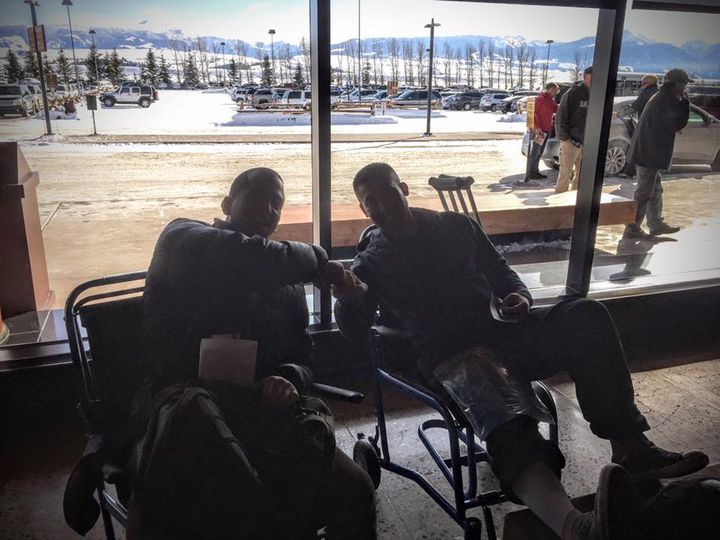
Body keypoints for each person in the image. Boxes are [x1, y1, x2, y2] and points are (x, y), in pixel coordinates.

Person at [333, 162, 709, 540]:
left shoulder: (456, 227)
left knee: (586, 316)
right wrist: (348, 299)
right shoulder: (371, 262)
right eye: (371, 202)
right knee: (500, 407)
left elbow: (501, 272)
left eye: (387, 194)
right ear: (364, 209)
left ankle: (629, 446)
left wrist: (518, 295)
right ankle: (575, 526)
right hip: (449, 359)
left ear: (404, 188)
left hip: (501, 333)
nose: (382, 207)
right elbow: (354, 329)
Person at [134, 167, 376, 539]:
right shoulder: (183, 237)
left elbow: (303, 356)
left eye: (276, 203)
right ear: (227, 204)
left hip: (262, 413)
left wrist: (288, 378)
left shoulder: (285, 282)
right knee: (238, 503)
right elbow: (238, 256)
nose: (268, 210)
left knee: (357, 490)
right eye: (257, 198)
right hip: (185, 408)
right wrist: (319, 261)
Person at [623, 69, 692, 239]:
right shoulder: (667, 99)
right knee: (644, 191)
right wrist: (685, 103)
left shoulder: (661, 97)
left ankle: (655, 225)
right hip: (649, 153)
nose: (685, 88)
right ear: (677, 84)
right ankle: (632, 226)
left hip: (648, 152)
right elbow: (677, 123)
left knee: (655, 189)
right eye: (684, 84)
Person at [555, 66, 592, 193]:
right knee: (565, 174)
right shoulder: (572, 93)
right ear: (584, 77)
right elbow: (561, 116)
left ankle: (575, 199)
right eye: (591, 78)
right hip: (571, 140)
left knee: (582, 175)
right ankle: (559, 200)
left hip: (586, 141)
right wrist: (565, 138)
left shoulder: (596, 94)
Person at [525, 82, 560, 181]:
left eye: (556, 91)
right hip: (539, 130)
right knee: (535, 151)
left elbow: (556, 109)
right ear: (549, 89)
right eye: (554, 90)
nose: (555, 93)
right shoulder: (540, 99)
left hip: (546, 130)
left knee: (539, 151)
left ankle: (535, 171)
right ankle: (531, 172)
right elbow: (532, 113)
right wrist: (536, 127)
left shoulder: (550, 101)